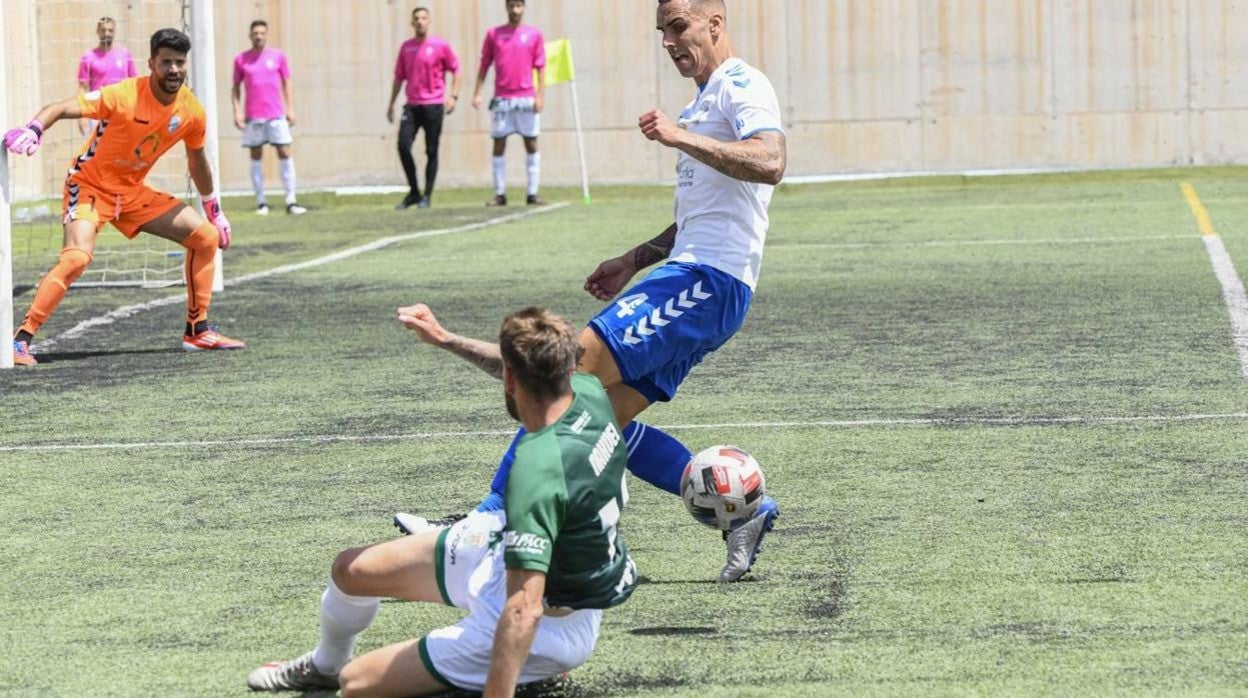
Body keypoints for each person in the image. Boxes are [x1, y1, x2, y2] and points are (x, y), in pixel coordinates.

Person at [396, 0, 786, 583]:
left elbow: (771, 160)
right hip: (700, 279)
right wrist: (634, 258)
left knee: (564, 374)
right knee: (604, 425)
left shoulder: (740, 83)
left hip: (706, 282)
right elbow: (706, 213)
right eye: (662, 31)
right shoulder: (703, 101)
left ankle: (483, 526)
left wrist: (679, 138)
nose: (669, 41)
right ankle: (746, 517)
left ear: (714, 23)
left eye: (678, 26)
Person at [247, 307, 637, 696]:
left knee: (356, 685)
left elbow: (523, 609)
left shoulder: (538, 468)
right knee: (350, 569)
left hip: (548, 628)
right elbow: (523, 367)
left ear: (510, 379)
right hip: (512, 559)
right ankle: (324, 666)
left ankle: (528, 676)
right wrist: (446, 339)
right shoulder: (587, 392)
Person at [4, 28, 244, 367]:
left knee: (205, 237)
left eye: (179, 63)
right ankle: (19, 341)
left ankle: (197, 331)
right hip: (88, 186)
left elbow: (198, 161)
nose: (174, 70)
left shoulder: (191, 112)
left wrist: (213, 210)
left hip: (131, 192)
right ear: (151, 64)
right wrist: (34, 128)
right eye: (166, 63)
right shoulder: (123, 95)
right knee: (77, 258)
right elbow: (59, 108)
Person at [472, 0, 546, 207]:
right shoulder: (493, 34)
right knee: (498, 144)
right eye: (511, 6)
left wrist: (540, 96)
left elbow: (541, 67)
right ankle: (500, 194)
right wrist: (477, 93)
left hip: (526, 98)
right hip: (502, 99)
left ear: (523, 8)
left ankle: (532, 193)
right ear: (506, 7)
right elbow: (484, 65)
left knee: (531, 143)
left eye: (518, 6)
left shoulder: (534, 34)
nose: (515, 10)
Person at [388, 7, 461, 210]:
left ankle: (426, 195)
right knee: (403, 146)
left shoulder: (440, 46)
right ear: (412, 23)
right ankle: (414, 191)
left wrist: (453, 96)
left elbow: (456, 69)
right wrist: (391, 104)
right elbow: (398, 77)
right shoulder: (407, 47)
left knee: (431, 150)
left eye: (424, 18)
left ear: (429, 22)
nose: (420, 22)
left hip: (433, 105)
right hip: (412, 106)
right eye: (417, 19)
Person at [231, 19, 306, 216]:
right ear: (250, 35)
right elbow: (235, 88)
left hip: (276, 115)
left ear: (266, 35)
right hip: (253, 117)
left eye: (262, 33)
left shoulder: (278, 56)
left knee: (285, 152)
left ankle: (291, 201)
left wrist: (290, 108)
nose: (258, 36)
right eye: (255, 33)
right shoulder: (241, 59)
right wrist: (237, 111)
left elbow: (286, 82)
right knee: (255, 156)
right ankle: (261, 202)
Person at [76, 16, 137, 136]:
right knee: (96, 152)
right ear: (97, 31)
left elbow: (134, 83)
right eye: (103, 30)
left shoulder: (124, 55)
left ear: (115, 32)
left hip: (121, 110)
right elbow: (82, 87)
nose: (106, 33)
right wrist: (82, 115)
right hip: (98, 110)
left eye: (110, 30)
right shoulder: (88, 57)